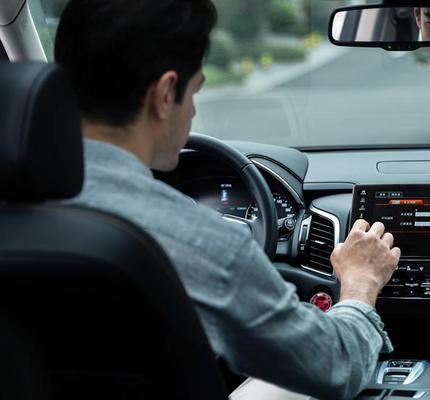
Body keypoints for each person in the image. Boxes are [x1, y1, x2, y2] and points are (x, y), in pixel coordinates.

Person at [53, 0, 401, 399]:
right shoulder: (199, 242)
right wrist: (360, 283)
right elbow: (336, 367)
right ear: (164, 95)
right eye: (194, 92)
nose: (192, 112)